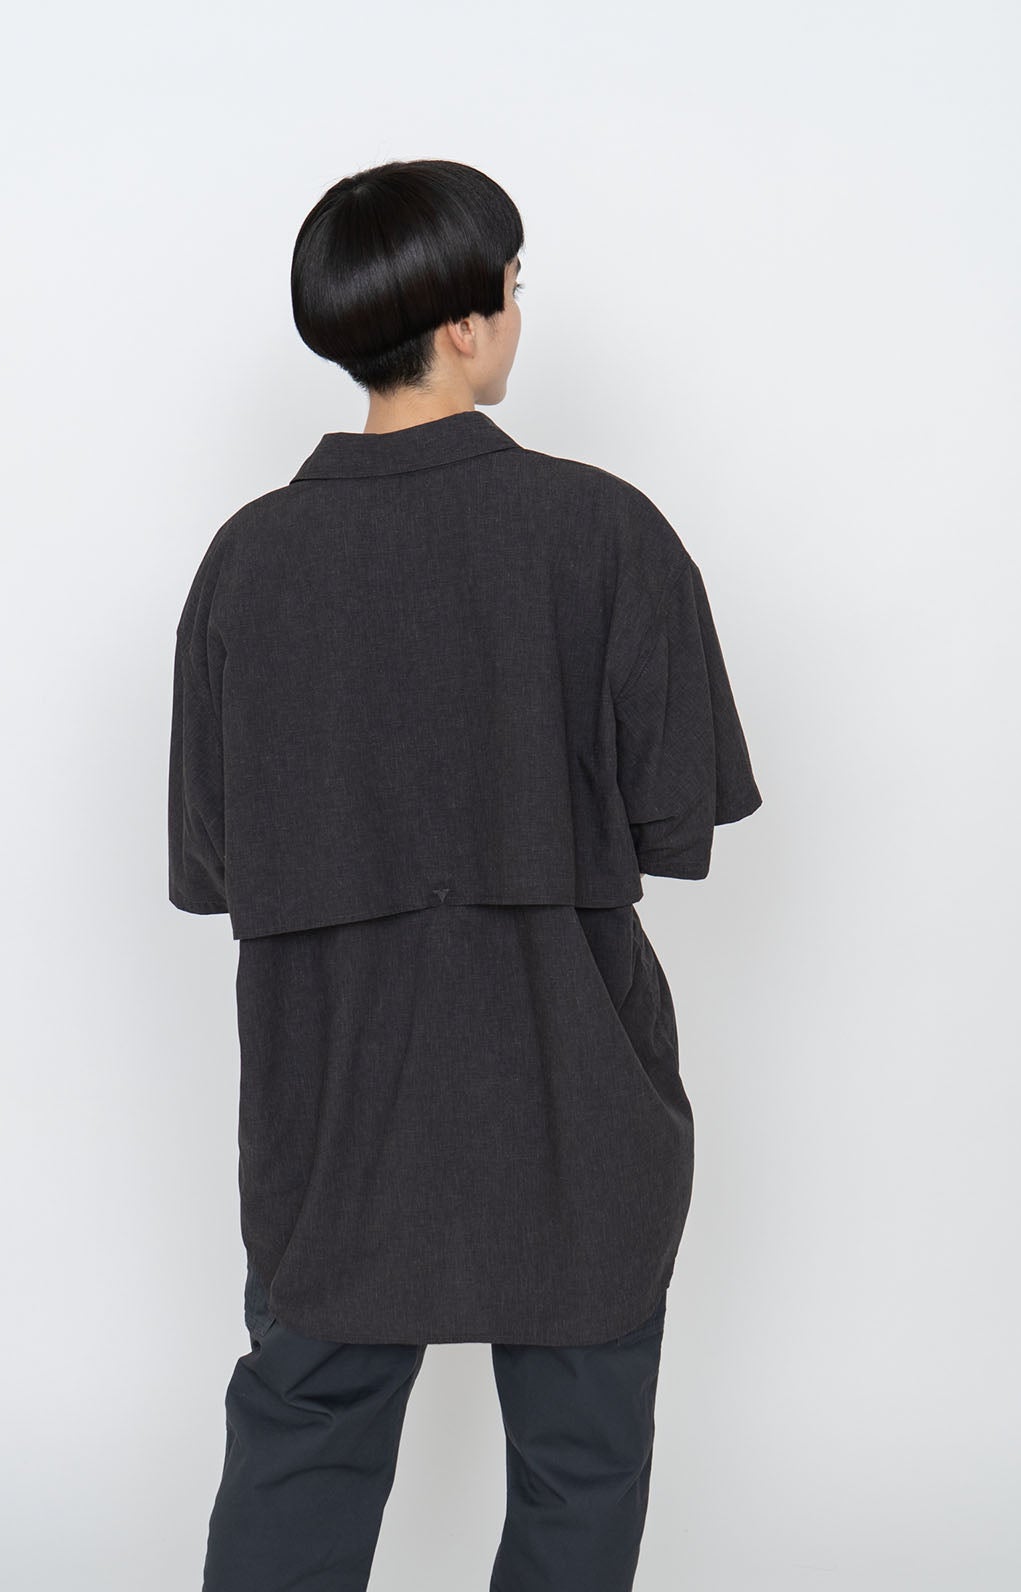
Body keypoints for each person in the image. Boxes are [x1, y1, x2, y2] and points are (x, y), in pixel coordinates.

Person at [168, 157, 763, 1592]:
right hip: (572, 1080)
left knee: (304, 1441)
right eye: (512, 286)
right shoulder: (606, 533)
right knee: (580, 1465)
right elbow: (676, 817)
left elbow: (217, 864)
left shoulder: (247, 564)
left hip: (331, 1099)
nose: (515, 314)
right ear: (463, 323)